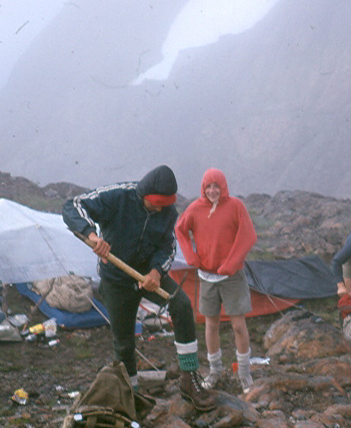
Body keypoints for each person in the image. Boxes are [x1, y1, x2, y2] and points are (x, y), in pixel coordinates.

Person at [62, 164, 215, 412]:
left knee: (181, 304)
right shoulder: (119, 196)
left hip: (147, 274)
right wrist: (91, 236)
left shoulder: (167, 212)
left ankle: (189, 379)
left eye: (164, 205)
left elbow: (167, 247)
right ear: (143, 195)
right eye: (155, 203)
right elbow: (73, 206)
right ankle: (130, 396)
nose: (159, 209)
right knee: (123, 343)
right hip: (116, 279)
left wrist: (156, 272)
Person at [175, 168, 257, 394]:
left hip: (232, 276)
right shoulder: (195, 209)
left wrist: (232, 262)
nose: (212, 191)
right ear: (203, 188)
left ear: (223, 187)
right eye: (208, 187)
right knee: (210, 324)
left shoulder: (235, 206)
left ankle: (244, 374)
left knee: (238, 325)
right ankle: (215, 371)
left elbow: (248, 235)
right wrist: (190, 256)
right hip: (206, 276)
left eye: (216, 186)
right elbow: (180, 230)